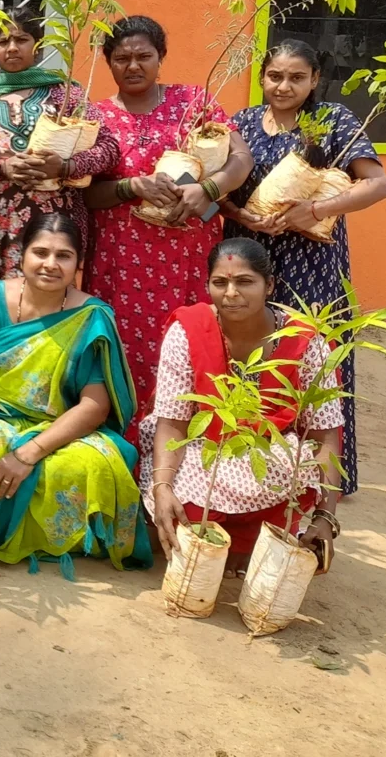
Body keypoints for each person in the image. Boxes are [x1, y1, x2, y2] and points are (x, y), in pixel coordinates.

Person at [0, 214, 151, 575]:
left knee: (97, 463)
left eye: (64, 256)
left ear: (78, 265)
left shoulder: (91, 316)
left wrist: (29, 453)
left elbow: (94, 406)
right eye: (40, 252)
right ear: (21, 256)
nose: (50, 264)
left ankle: (30, 533)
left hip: (56, 428)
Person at [221, 39, 386, 493]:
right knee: (248, 351)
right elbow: (223, 193)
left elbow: (377, 185)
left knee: (311, 358)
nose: (284, 85)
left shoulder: (333, 121)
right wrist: (240, 215)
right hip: (250, 258)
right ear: (261, 77)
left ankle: (320, 476)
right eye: (275, 75)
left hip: (311, 263)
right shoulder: (240, 125)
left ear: (315, 80)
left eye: (297, 77)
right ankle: (250, 464)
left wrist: (314, 211)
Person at [84, 16, 253, 436]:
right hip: (122, 263)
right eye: (121, 58)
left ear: (162, 57)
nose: (133, 65)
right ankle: (126, 450)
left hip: (187, 258)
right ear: (108, 62)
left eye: (144, 56)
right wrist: (130, 187)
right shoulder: (96, 117)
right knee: (127, 351)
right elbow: (86, 196)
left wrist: (209, 190)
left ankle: (187, 453)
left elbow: (241, 160)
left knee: (189, 346)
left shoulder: (194, 103)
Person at [142, 238, 342, 573]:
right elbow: (173, 422)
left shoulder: (307, 342)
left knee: (294, 465)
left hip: (269, 453)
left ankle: (249, 543)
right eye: (220, 282)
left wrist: (326, 516)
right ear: (207, 285)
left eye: (245, 282)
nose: (231, 294)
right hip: (199, 444)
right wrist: (162, 488)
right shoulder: (188, 330)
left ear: (270, 286)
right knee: (184, 511)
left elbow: (324, 436)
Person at [0, 11, 119, 288]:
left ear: (38, 45)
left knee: (48, 301)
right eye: (2, 41)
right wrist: (2, 169)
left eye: (22, 39)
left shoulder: (65, 94)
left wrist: (66, 166)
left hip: (53, 222)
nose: (12, 48)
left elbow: (109, 148)